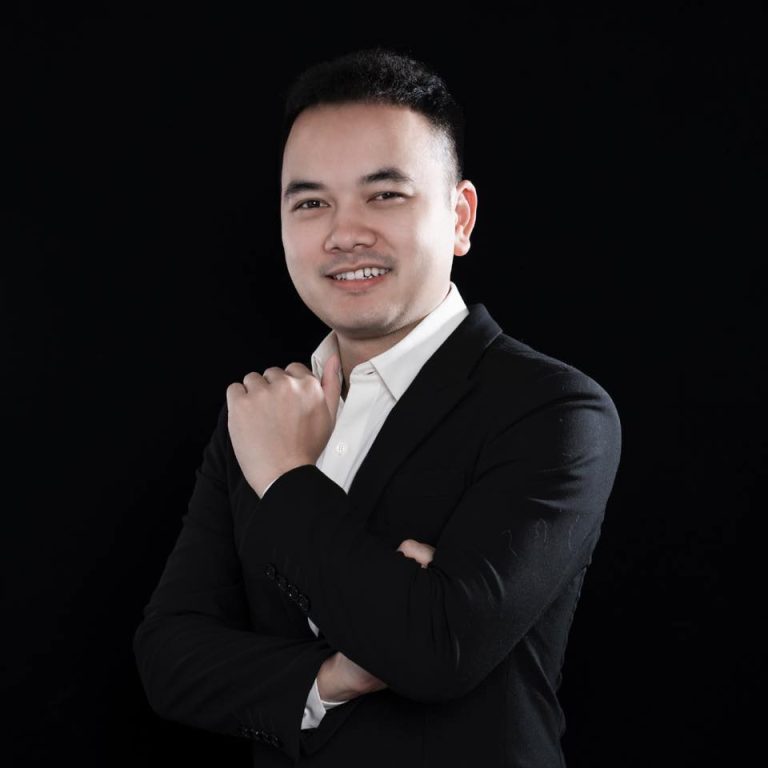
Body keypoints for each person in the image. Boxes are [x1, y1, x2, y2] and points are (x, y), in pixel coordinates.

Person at [133, 46, 622, 767]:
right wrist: (328, 677)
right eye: (311, 203)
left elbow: (437, 649)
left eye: (385, 195)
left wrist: (287, 479)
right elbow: (169, 657)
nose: (344, 233)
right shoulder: (263, 410)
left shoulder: (555, 412)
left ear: (460, 217)